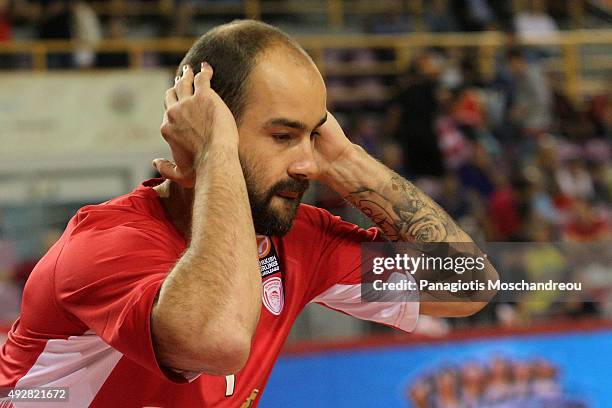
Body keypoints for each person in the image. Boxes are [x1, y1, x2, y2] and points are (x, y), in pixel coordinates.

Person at [0, 20, 496, 407]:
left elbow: (467, 287)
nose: (306, 163)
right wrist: (215, 151)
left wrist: (349, 162)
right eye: (283, 136)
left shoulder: (300, 240)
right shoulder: (106, 243)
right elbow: (215, 341)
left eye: (312, 135)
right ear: (203, 124)